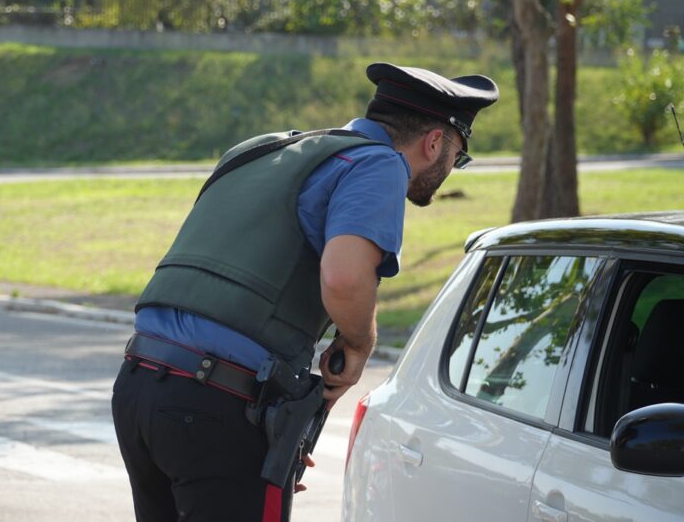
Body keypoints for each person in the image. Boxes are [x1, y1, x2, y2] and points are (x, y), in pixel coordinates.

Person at [112, 63, 499, 521]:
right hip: (216, 404)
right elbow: (344, 279)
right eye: (458, 156)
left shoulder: (260, 149)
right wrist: (358, 345)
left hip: (138, 386)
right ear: (435, 142)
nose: (452, 168)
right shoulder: (379, 164)